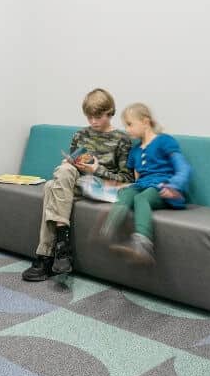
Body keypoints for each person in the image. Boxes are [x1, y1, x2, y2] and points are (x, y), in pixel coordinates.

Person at [22, 88, 133, 282]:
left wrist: (96, 170)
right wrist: (70, 163)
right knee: (61, 174)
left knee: (51, 187)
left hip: (104, 188)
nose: (93, 122)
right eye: (89, 117)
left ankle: (45, 256)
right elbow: (72, 165)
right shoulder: (80, 135)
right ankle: (61, 249)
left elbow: (127, 180)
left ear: (109, 112)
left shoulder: (122, 140)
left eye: (98, 117)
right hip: (79, 183)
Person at [98, 102, 193, 265]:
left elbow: (183, 167)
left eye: (129, 124)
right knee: (127, 194)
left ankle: (143, 245)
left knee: (141, 198)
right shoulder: (135, 151)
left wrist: (174, 186)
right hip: (143, 186)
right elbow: (137, 181)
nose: (127, 129)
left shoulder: (164, 141)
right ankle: (107, 230)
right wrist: (119, 185)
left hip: (164, 188)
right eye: (125, 125)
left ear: (145, 121)